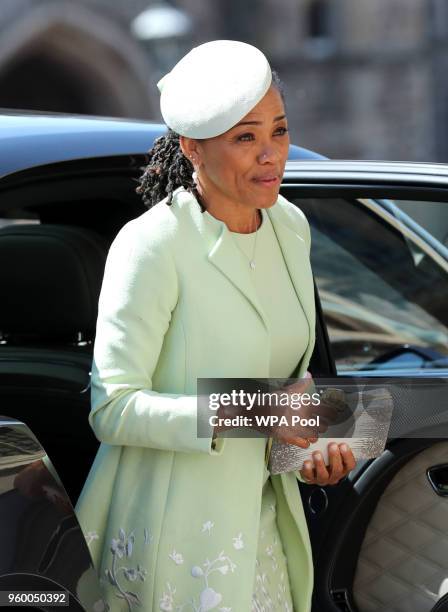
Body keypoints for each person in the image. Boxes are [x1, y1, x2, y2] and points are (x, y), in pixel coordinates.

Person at [75, 40, 356, 611]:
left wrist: (312, 453)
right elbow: (113, 408)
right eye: (246, 138)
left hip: (267, 536)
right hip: (176, 541)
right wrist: (261, 411)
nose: (272, 155)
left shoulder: (290, 227)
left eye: (279, 131)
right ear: (193, 149)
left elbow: (287, 387)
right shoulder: (153, 244)